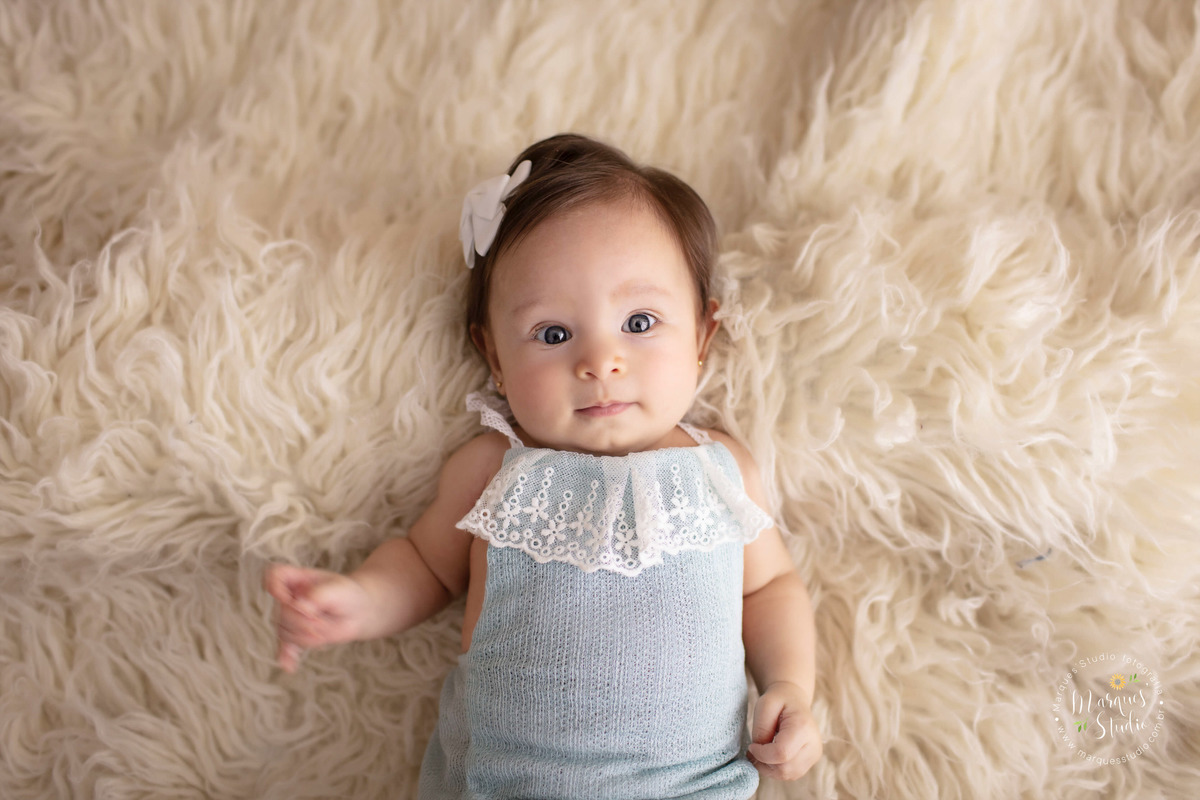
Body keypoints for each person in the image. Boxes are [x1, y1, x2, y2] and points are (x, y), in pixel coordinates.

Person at [264, 133, 822, 798]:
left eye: (640, 322)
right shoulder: (494, 470)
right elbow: (422, 565)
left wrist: (790, 686)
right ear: (495, 357)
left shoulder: (720, 469)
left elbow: (769, 590)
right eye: (553, 335)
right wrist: (359, 601)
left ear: (703, 335)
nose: (600, 361)